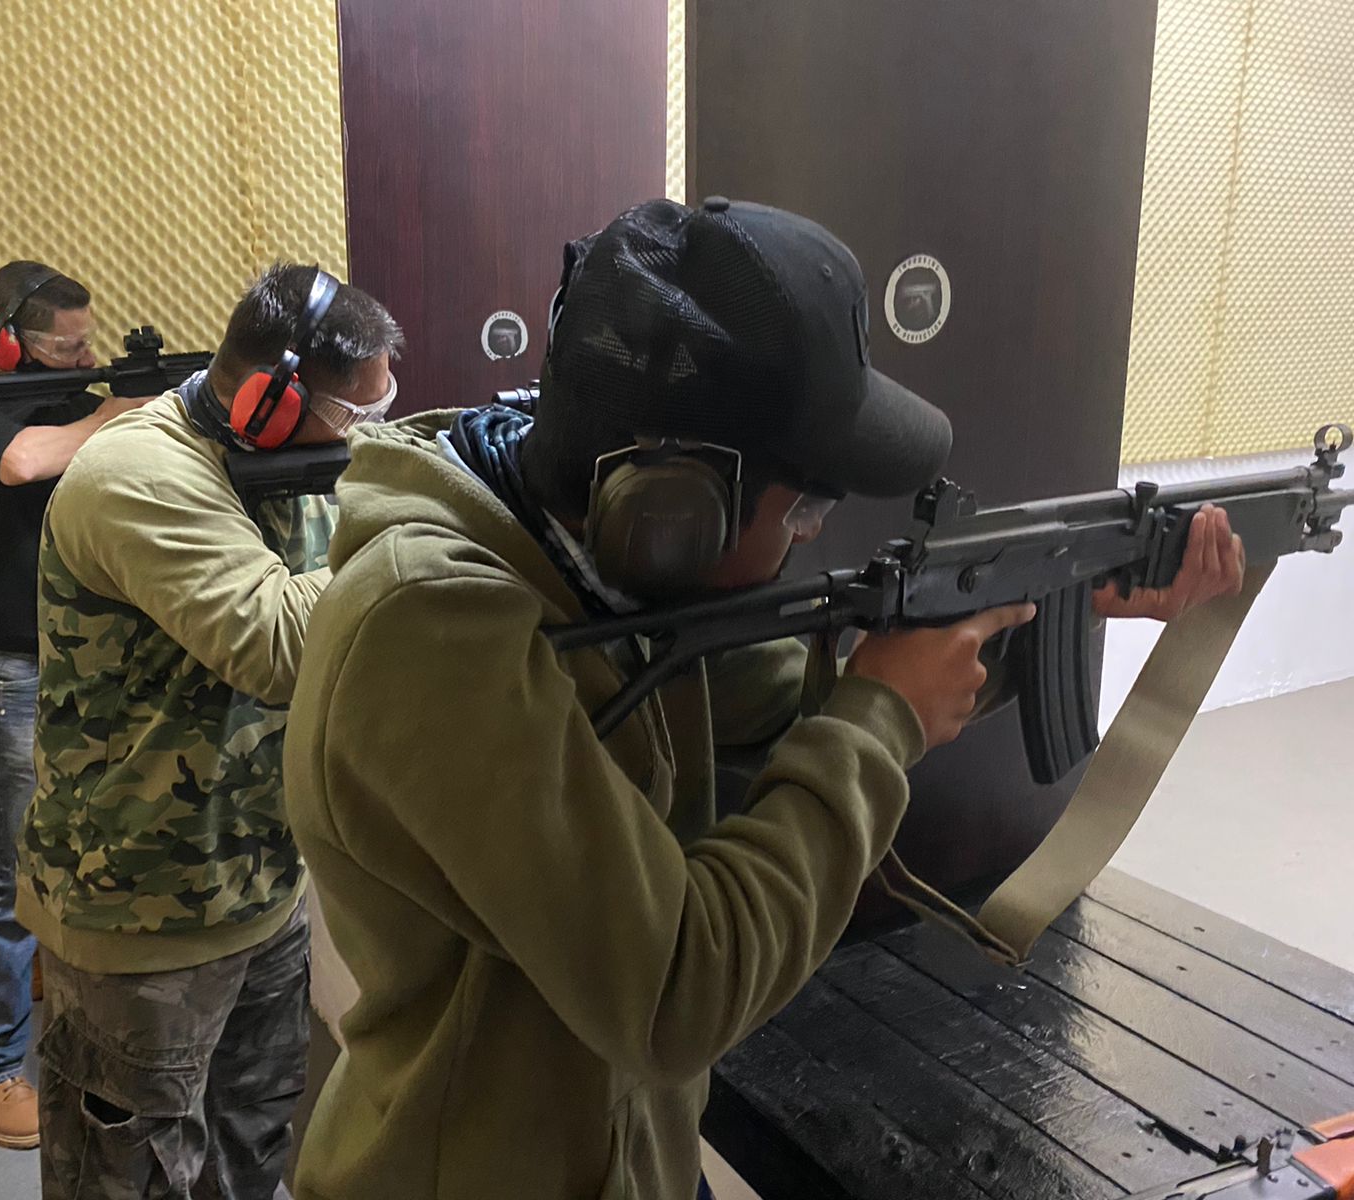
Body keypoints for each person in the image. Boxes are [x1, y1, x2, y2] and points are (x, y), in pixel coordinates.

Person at [281, 198, 1246, 1199]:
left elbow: (804, 705)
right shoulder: (430, 626)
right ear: (672, 510)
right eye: (807, 506)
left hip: (632, 1154)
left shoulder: (601, 571)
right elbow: (676, 993)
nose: (808, 536)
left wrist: (1051, 607)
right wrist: (881, 716)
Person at [15, 262, 403, 1200]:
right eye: (358, 414)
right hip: (138, 915)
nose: (369, 434)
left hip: (262, 886)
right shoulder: (135, 475)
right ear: (271, 401)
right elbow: (278, 644)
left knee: (251, 1151)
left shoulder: (286, 457)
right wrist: (427, 523)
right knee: (132, 1178)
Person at [0, 260, 152, 1150]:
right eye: (67, 347)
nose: (86, 361)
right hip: (20, 671)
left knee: (117, 863)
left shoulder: (87, 405)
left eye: (90, 345)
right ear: (4, 339)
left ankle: (108, 1047)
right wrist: (115, 413)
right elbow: (21, 462)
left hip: (114, 666)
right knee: (14, 882)